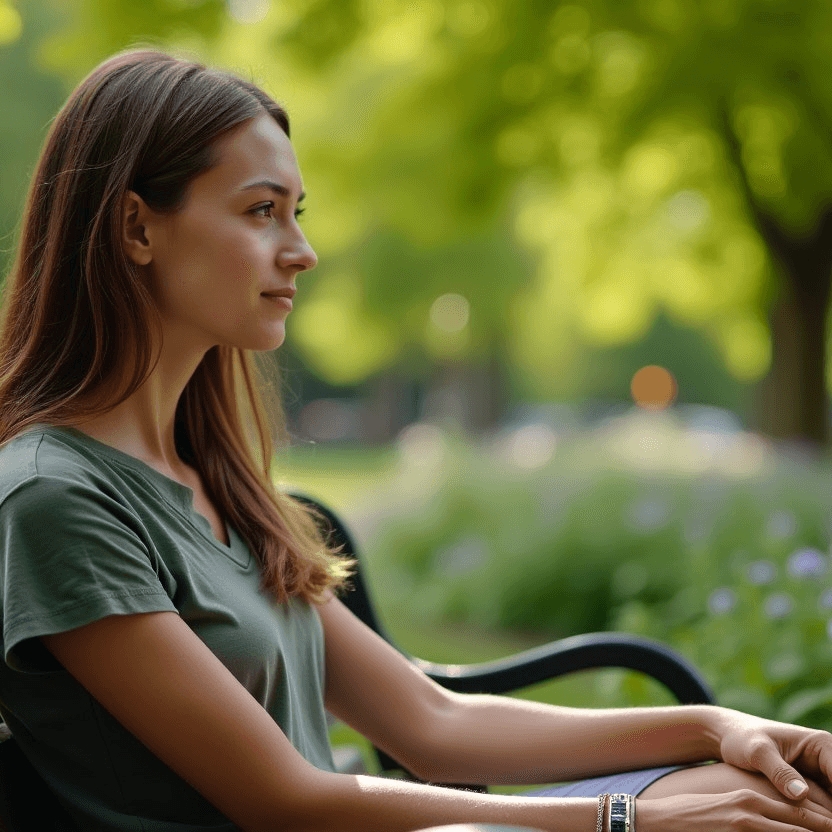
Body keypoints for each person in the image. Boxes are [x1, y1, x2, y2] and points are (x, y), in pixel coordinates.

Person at [0, 47, 832, 832]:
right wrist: (623, 817)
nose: (304, 252)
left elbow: (432, 721)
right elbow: (284, 801)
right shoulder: (56, 500)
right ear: (137, 229)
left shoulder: (215, 479)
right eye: (262, 212)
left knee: (759, 789)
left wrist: (719, 727)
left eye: (298, 214)